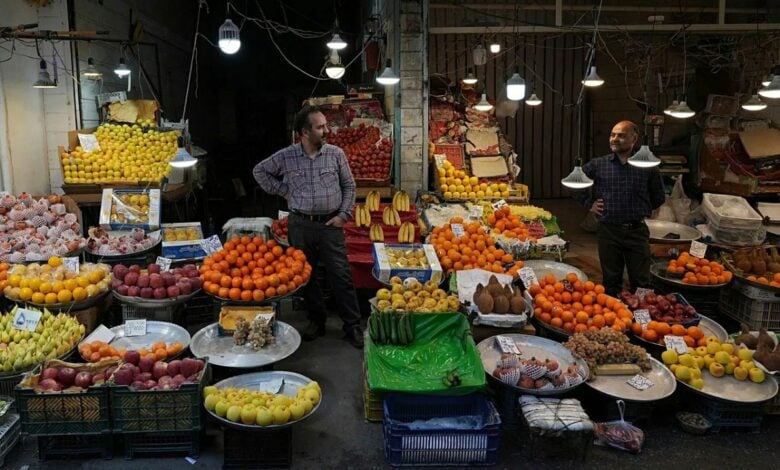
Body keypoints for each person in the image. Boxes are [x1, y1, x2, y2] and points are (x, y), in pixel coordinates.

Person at [253, 105, 364, 349]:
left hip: (330, 224)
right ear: (305, 132)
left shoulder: (335, 154)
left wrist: (344, 215)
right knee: (307, 276)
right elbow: (259, 171)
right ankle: (316, 320)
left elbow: (349, 186)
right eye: (320, 127)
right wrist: (283, 190)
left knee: (341, 275)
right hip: (300, 225)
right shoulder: (287, 156)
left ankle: (353, 325)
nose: (327, 130)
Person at [573, 120, 665, 297]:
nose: (615, 139)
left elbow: (659, 196)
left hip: (636, 231)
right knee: (611, 279)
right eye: (612, 135)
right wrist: (589, 204)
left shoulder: (647, 166)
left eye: (621, 136)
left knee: (641, 280)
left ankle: (641, 313)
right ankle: (614, 311)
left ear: (634, 139)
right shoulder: (598, 165)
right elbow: (574, 183)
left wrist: (639, 207)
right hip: (608, 231)